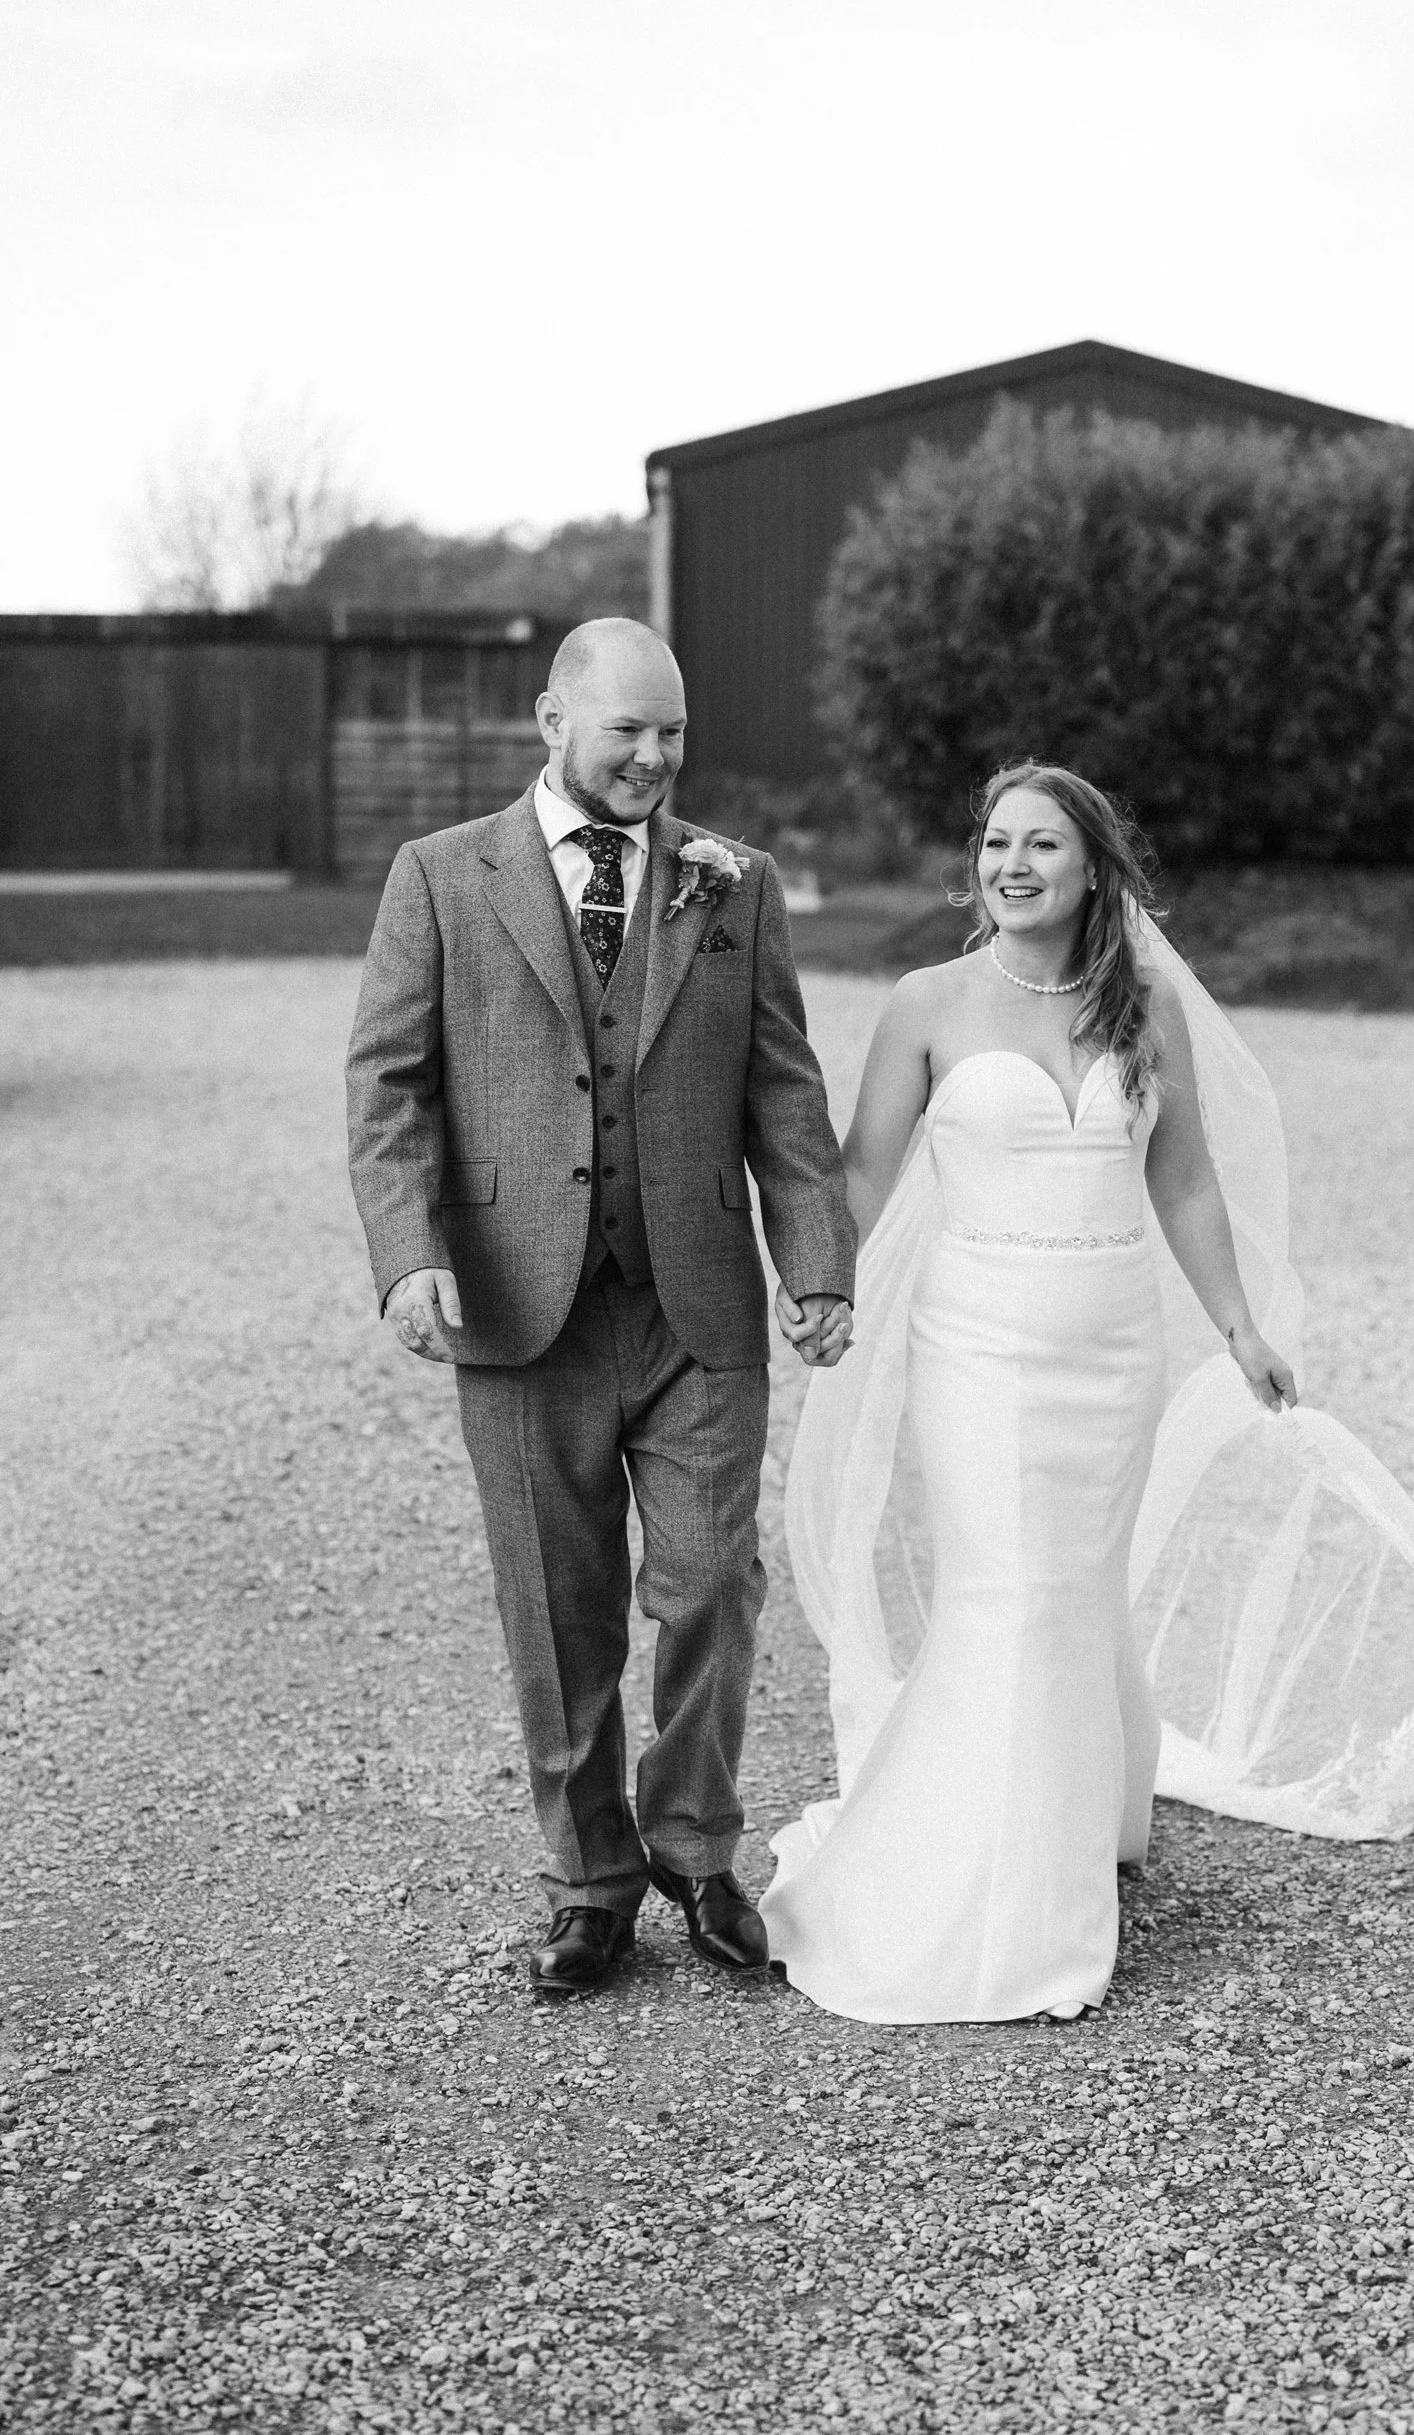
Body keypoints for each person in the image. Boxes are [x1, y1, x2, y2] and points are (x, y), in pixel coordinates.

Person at [761, 761, 1414, 2027]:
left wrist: (1236, 1323)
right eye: (995, 842)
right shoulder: (926, 1002)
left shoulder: (1140, 1004)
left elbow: (1186, 1180)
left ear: (1093, 867)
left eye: (1042, 844)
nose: (1012, 865)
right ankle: (989, 1895)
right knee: (1008, 1589)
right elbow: (861, 1169)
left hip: (1106, 1354)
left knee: (1078, 1586)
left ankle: (1083, 1812)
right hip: (975, 1347)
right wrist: (820, 1288)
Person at [345, 618, 856, 1999]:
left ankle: (696, 1850)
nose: (651, 756)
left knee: (709, 1588)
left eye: (671, 733)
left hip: (695, 1304)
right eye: (627, 728)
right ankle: (588, 1885)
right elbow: (388, 1087)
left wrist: (814, 1259)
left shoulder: (731, 884)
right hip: (519, 1309)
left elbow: (784, 1090)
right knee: (555, 1607)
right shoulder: (441, 879)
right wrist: (406, 1255)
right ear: (549, 720)